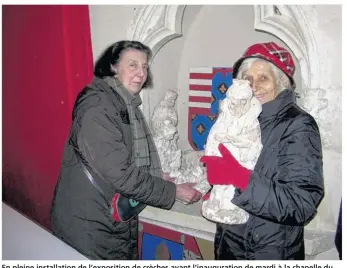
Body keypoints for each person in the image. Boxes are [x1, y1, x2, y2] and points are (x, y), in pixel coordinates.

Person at [50, 40, 201, 260]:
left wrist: (158, 176)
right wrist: (173, 191)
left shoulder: (124, 104)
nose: (141, 73)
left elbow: (126, 159)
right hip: (89, 224)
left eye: (145, 66)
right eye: (133, 65)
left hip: (110, 219)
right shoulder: (98, 107)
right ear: (113, 67)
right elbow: (120, 173)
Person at [201, 42, 324, 260]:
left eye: (263, 78)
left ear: (281, 83)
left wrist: (238, 178)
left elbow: (302, 203)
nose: (253, 86)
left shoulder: (298, 125)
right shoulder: (237, 120)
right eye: (247, 79)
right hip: (228, 245)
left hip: (268, 251)